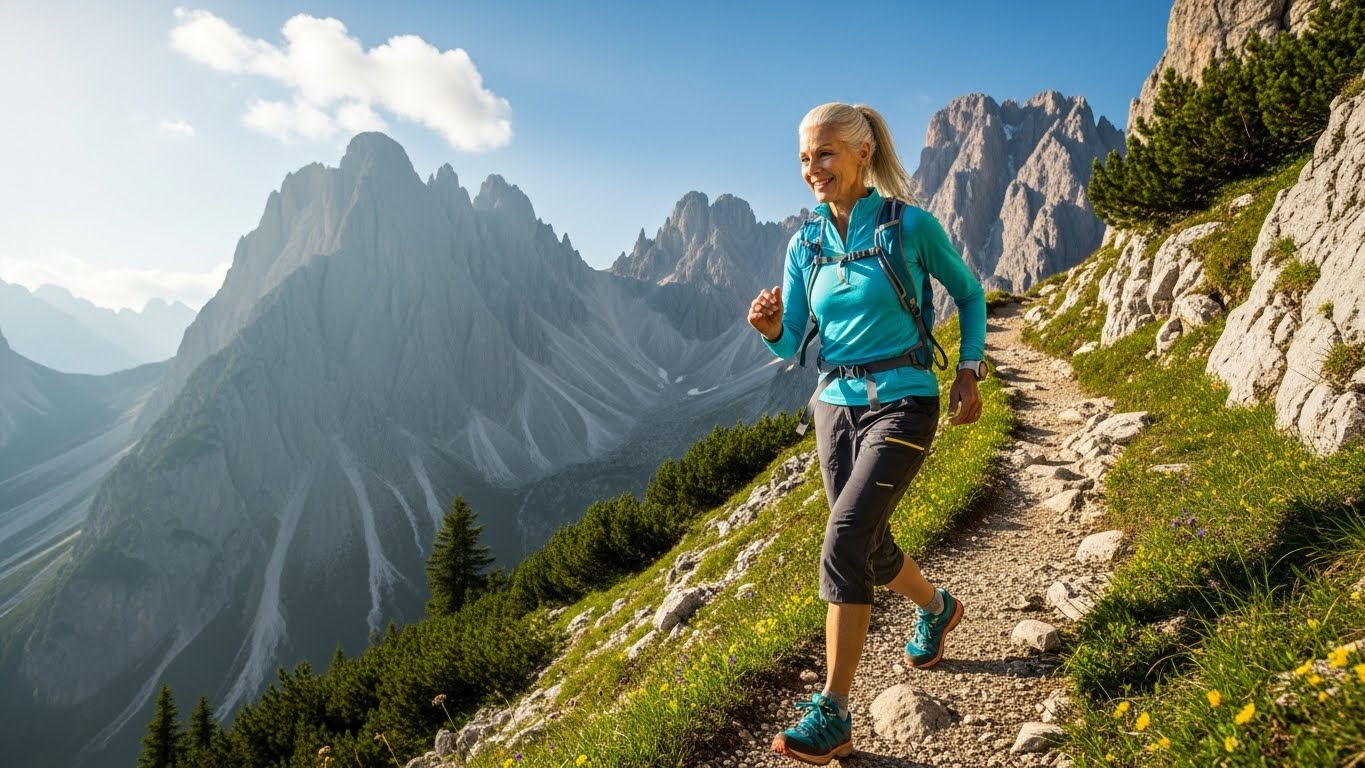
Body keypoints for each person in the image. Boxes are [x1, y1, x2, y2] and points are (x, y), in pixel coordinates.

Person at [748, 102, 987, 765]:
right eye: (802, 157)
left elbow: (968, 294)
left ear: (860, 153)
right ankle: (937, 608)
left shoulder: (909, 226)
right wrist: (769, 328)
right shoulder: (804, 245)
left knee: (844, 538)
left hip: (905, 400)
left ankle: (833, 711)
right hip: (834, 404)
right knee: (869, 544)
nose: (811, 168)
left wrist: (968, 370)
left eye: (823, 153)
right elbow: (793, 341)